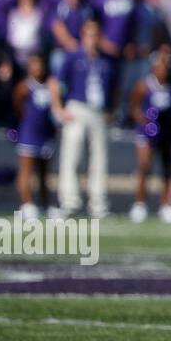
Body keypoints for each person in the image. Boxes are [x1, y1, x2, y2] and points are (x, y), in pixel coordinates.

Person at [56, 18, 115, 218]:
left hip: (98, 111)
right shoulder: (73, 57)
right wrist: (59, 109)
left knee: (99, 158)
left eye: (96, 35)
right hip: (77, 107)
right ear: (83, 35)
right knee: (71, 155)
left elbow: (114, 89)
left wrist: (111, 111)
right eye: (89, 34)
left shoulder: (105, 60)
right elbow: (56, 83)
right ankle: (70, 200)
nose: (92, 39)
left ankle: (98, 203)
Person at [128, 45, 171, 223]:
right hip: (147, 132)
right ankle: (140, 204)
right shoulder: (144, 85)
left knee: (167, 169)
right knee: (145, 167)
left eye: (166, 67)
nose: (163, 70)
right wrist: (145, 122)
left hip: (165, 133)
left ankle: (166, 205)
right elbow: (134, 107)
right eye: (161, 66)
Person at [12, 52, 59, 220]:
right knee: (26, 170)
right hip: (28, 134)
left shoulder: (49, 86)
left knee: (44, 173)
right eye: (34, 64)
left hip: (45, 134)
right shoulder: (24, 87)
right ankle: (27, 204)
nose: (38, 68)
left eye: (40, 64)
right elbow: (17, 107)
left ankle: (46, 205)